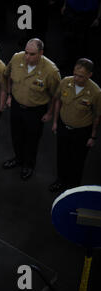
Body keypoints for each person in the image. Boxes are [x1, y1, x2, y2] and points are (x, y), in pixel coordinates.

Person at [3, 38, 61, 180]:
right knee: (16, 135)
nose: (27, 57)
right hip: (16, 105)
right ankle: (18, 159)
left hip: (35, 110)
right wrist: (9, 95)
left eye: (32, 54)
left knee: (32, 140)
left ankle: (28, 165)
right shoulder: (17, 58)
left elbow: (56, 95)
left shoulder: (51, 71)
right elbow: (7, 75)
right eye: (26, 52)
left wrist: (49, 112)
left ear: (41, 53)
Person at [49, 58, 101, 192]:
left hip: (81, 132)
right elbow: (58, 101)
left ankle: (73, 187)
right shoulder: (66, 82)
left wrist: (93, 136)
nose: (76, 78)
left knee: (77, 160)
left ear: (89, 75)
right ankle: (60, 180)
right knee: (62, 156)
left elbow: (97, 115)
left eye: (81, 76)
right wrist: (55, 122)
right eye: (75, 74)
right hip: (63, 126)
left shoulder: (96, 92)